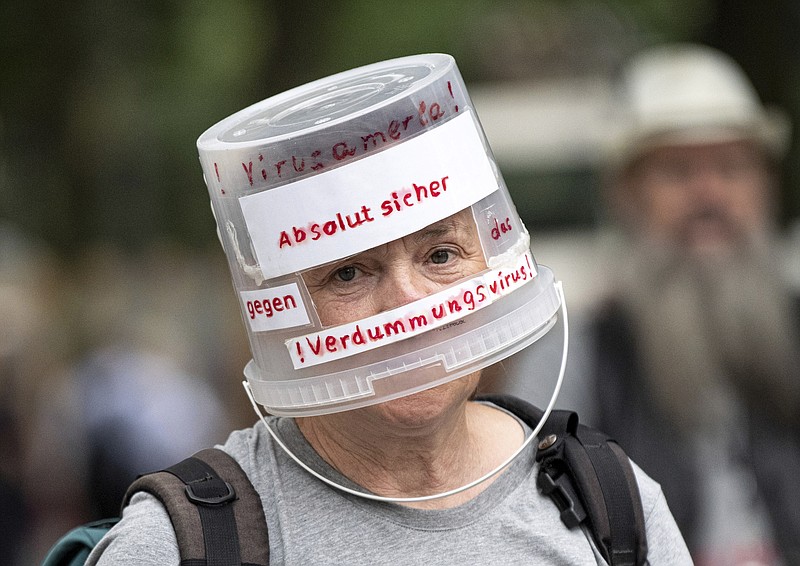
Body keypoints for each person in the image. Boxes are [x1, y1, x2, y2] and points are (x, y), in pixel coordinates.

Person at [85, 54, 689, 565]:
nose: (409, 303)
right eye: (347, 272)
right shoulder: (178, 544)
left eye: (441, 254)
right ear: (283, 313)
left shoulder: (610, 498)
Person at [537, 44, 800, 565]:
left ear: (765, 185)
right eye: (677, 173)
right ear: (625, 196)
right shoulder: (577, 351)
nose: (709, 195)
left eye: (731, 168)